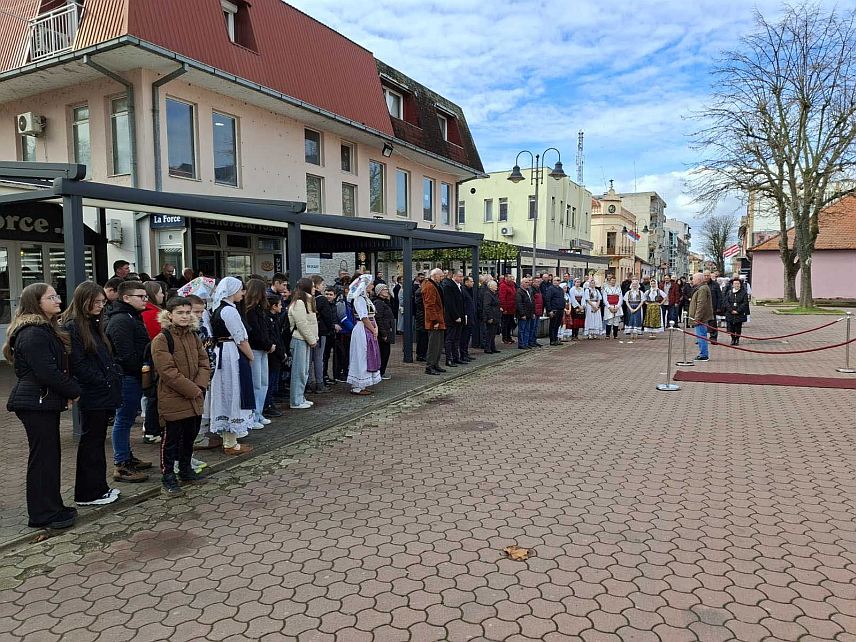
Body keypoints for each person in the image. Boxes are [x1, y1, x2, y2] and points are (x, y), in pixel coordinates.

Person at [4, 283, 82, 529]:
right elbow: (46, 371)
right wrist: (73, 391)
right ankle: (42, 514)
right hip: (35, 403)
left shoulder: (44, 329)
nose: (58, 300)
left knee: (49, 457)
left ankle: (53, 506)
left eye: (57, 295)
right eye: (51, 297)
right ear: (36, 303)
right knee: (43, 459)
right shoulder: (33, 332)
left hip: (42, 401)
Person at [62, 282, 123, 507]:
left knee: (96, 443)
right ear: (83, 301)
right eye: (96, 302)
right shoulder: (74, 326)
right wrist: (104, 380)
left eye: (102, 302)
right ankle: (89, 492)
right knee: (91, 444)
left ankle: (98, 488)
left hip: (102, 390)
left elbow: (104, 356)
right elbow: (78, 363)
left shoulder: (92, 324)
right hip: (93, 392)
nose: (100, 306)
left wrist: (111, 375)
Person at [151, 296, 211, 497]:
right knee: (171, 440)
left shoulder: (193, 336)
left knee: (189, 436)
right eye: (180, 313)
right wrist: (193, 389)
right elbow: (167, 372)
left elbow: (204, 361)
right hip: (174, 398)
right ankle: (168, 475)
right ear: (170, 315)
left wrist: (200, 385)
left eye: (188, 312)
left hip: (194, 397)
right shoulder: (162, 339)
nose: (185, 316)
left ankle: (185, 468)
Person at [105, 281, 153, 482]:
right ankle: (121, 463)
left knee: (127, 418)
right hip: (126, 376)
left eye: (145, 296)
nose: (145, 300)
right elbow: (125, 354)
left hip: (133, 374)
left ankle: (127, 456)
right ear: (126, 298)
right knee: (123, 419)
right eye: (140, 296)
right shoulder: (121, 320)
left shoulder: (131, 316)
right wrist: (140, 371)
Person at [209, 277, 255, 454]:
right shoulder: (229, 311)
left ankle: (229, 438)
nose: (243, 293)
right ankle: (230, 442)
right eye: (240, 290)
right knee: (233, 392)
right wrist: (250, 357)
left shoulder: (218, 309)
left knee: (226, 392)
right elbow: (240, 339)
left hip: (223, 352)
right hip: (230, 354)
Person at [243, 278, 274, 429]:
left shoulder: (260, 310)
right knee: (256, 383)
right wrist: (267, 344)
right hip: (255, 348)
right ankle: (253, 415)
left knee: (263, 382)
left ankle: (259, 412)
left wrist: (268, 344)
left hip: (263, 349)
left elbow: (265, 329)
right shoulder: (249, 311)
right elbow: (254, 332)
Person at [347, 274, 382, 394]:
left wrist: (375, 328)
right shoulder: (359, 299)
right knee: (361, 355)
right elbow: (364, 318)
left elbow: (372, 316)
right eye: (371, 284)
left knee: (367, 355)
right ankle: (357, 385)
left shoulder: (366, 298)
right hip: (362, 330)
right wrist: (373, 329)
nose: (372, 286)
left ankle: (363, 383)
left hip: (368, 328)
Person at [288, 278, 318, 408]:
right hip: (300, 339)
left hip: (305, 340)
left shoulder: (308, 301)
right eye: (312, 286)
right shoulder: (299, 303)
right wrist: (312, 340)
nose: (314, 288)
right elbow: (301, 324)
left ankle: (301, 397)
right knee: (299, 371)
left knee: (304, 370)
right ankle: (295, 400)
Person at [308, 276, 334, 393]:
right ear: (317, 285)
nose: (323, 287)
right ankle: (319, 383)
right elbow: (328, 317)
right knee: (319, 358)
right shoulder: (321, 299)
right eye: (322, 285)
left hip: (307, 332)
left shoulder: (306, 298)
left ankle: (308, 383)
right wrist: (330, 329)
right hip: (320, 331)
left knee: (308, 360)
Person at [264, 295, 286, 416]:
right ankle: (268, 404)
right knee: (270, 381)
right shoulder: (269, 319)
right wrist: (280, 352)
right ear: (274, 306)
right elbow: (274, 338)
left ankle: (270, 402)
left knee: (274, 380)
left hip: (277, 354)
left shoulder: (275, 318)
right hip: (273, 355)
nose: (282, 307)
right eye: (280, 304)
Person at [422, 268, 447, 375]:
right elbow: (429, 305)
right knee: (433, 345)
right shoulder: (429, 286)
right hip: (434, 321)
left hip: (439, 319)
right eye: (440, 276)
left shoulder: (434, 285)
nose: (442, 278)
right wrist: (435, 320)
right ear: (435, 275)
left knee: (439, 344)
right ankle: (430, 366)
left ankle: (435, 364)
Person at [440, 271, 465, 367]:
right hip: (452, 318)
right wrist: (456, 316)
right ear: (454, 276)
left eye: (462, 276)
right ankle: (449, 359)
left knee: (457, 338)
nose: (461, 278)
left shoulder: (459, 286)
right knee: (450, 338)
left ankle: (456, 357)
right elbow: (450, 303)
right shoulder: (449, 286)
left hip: (460, 316)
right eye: (460, 276)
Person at [372, 283, 396, 379]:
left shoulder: (385, 302)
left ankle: (382, 371)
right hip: (383, 331)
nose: (386, 291)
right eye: (384, 289)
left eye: (386, 289)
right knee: (383, 352)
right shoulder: (378, 303)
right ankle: (380, 372)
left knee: (386, 351)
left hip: (386, 329)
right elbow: (378, 318)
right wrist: (383, 333)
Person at [688, 272, 713, 361]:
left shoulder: (702, 289)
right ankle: (702, 353)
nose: (692, 280)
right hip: (701, 317)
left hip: (701, 318)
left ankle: (704, 355)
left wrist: (697, 318)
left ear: (698, 280)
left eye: (693, 279)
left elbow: (701, 304)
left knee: (701, 336)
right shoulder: (701, 288)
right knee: (700, 336)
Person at [723, 277, 750, 345]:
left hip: (739, 313)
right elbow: (726, 302)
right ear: (732, 285)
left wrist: (738, 310)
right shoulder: (729, 292)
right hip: (730, 313)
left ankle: (737, 339)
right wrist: (731, 310)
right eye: (735, 283)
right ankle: (733, 339)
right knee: (731, 327)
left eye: (738, 283)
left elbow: (745, 303)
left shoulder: (744, 293)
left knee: (738, 327)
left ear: (740, 284)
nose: (736, 285)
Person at [514, 277, 536, 349]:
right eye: (526, 282)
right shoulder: (519, 291)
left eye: (528, 282)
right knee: (522, 330)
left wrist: (533, 313)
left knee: (527, 329)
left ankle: (526, 343)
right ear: (522, 283)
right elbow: (519, 304)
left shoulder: (529, 290)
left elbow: (532, 302)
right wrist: (522, 314)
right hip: (523, 314)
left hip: (529, 313)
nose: (528, 284)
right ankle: (521, 344)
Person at [480, 280, 500, 354]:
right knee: (489, 333)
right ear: (490, 286)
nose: (497, 287)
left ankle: (493, 347)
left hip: (496, 315)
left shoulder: (495, 294)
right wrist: (489, 317)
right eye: (495, 285)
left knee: (493, 333)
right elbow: (486, 306)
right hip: (491, 316)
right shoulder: (488, 294)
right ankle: (487, 348)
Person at [544, 276, 565, 346]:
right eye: (556, 280)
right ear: (553, 281)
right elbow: (547, 300)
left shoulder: (560, 289)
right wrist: (549, 310)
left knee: (557, 325)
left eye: (558, 280)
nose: (557, 282)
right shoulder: (550, 289)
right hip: (554, 309)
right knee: (552, 325)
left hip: (560, 309)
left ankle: (556, 339)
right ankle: (552, 340)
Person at [460, 276, 477, 361]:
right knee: (464, 336)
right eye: (471, 281)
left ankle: (465, 353)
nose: (473, 283)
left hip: (470, 316)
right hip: (466, 317)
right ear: (466, 282)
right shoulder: (463, 290)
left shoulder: (470, 291)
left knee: (467, 337)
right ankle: (463, 354)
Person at [601, 275, 623, 340]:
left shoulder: (618, 288)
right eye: (612, 281)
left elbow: (620, 298)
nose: (613, 282)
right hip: (609, 306)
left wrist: (617, 306)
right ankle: (607, 335)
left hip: (617, 306)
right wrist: (609, 307)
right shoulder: (606, 289)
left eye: (614, 281)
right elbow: (605, 299)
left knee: (616, 321)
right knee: (609, 320)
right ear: (610, 281)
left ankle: (615, 335)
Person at [498, 274, 517, 344]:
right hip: (506, 308)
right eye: (509, 277)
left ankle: (509, 337)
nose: (511, 278)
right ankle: (505, 338)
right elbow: (502, 298)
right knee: (505, 324)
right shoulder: (503, 285)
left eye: (511, 277)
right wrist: (504, 308)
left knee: (510, 324)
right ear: (505, 278)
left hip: (512, 308)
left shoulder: (512, 285)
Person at [413, 278, 428, 361]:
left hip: (422, 316)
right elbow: (421, 305)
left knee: (424, 337)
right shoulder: (419, 292)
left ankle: (422, 354)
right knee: (422, 337)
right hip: (421, 317)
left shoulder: (421, 291)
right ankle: (421, 355)